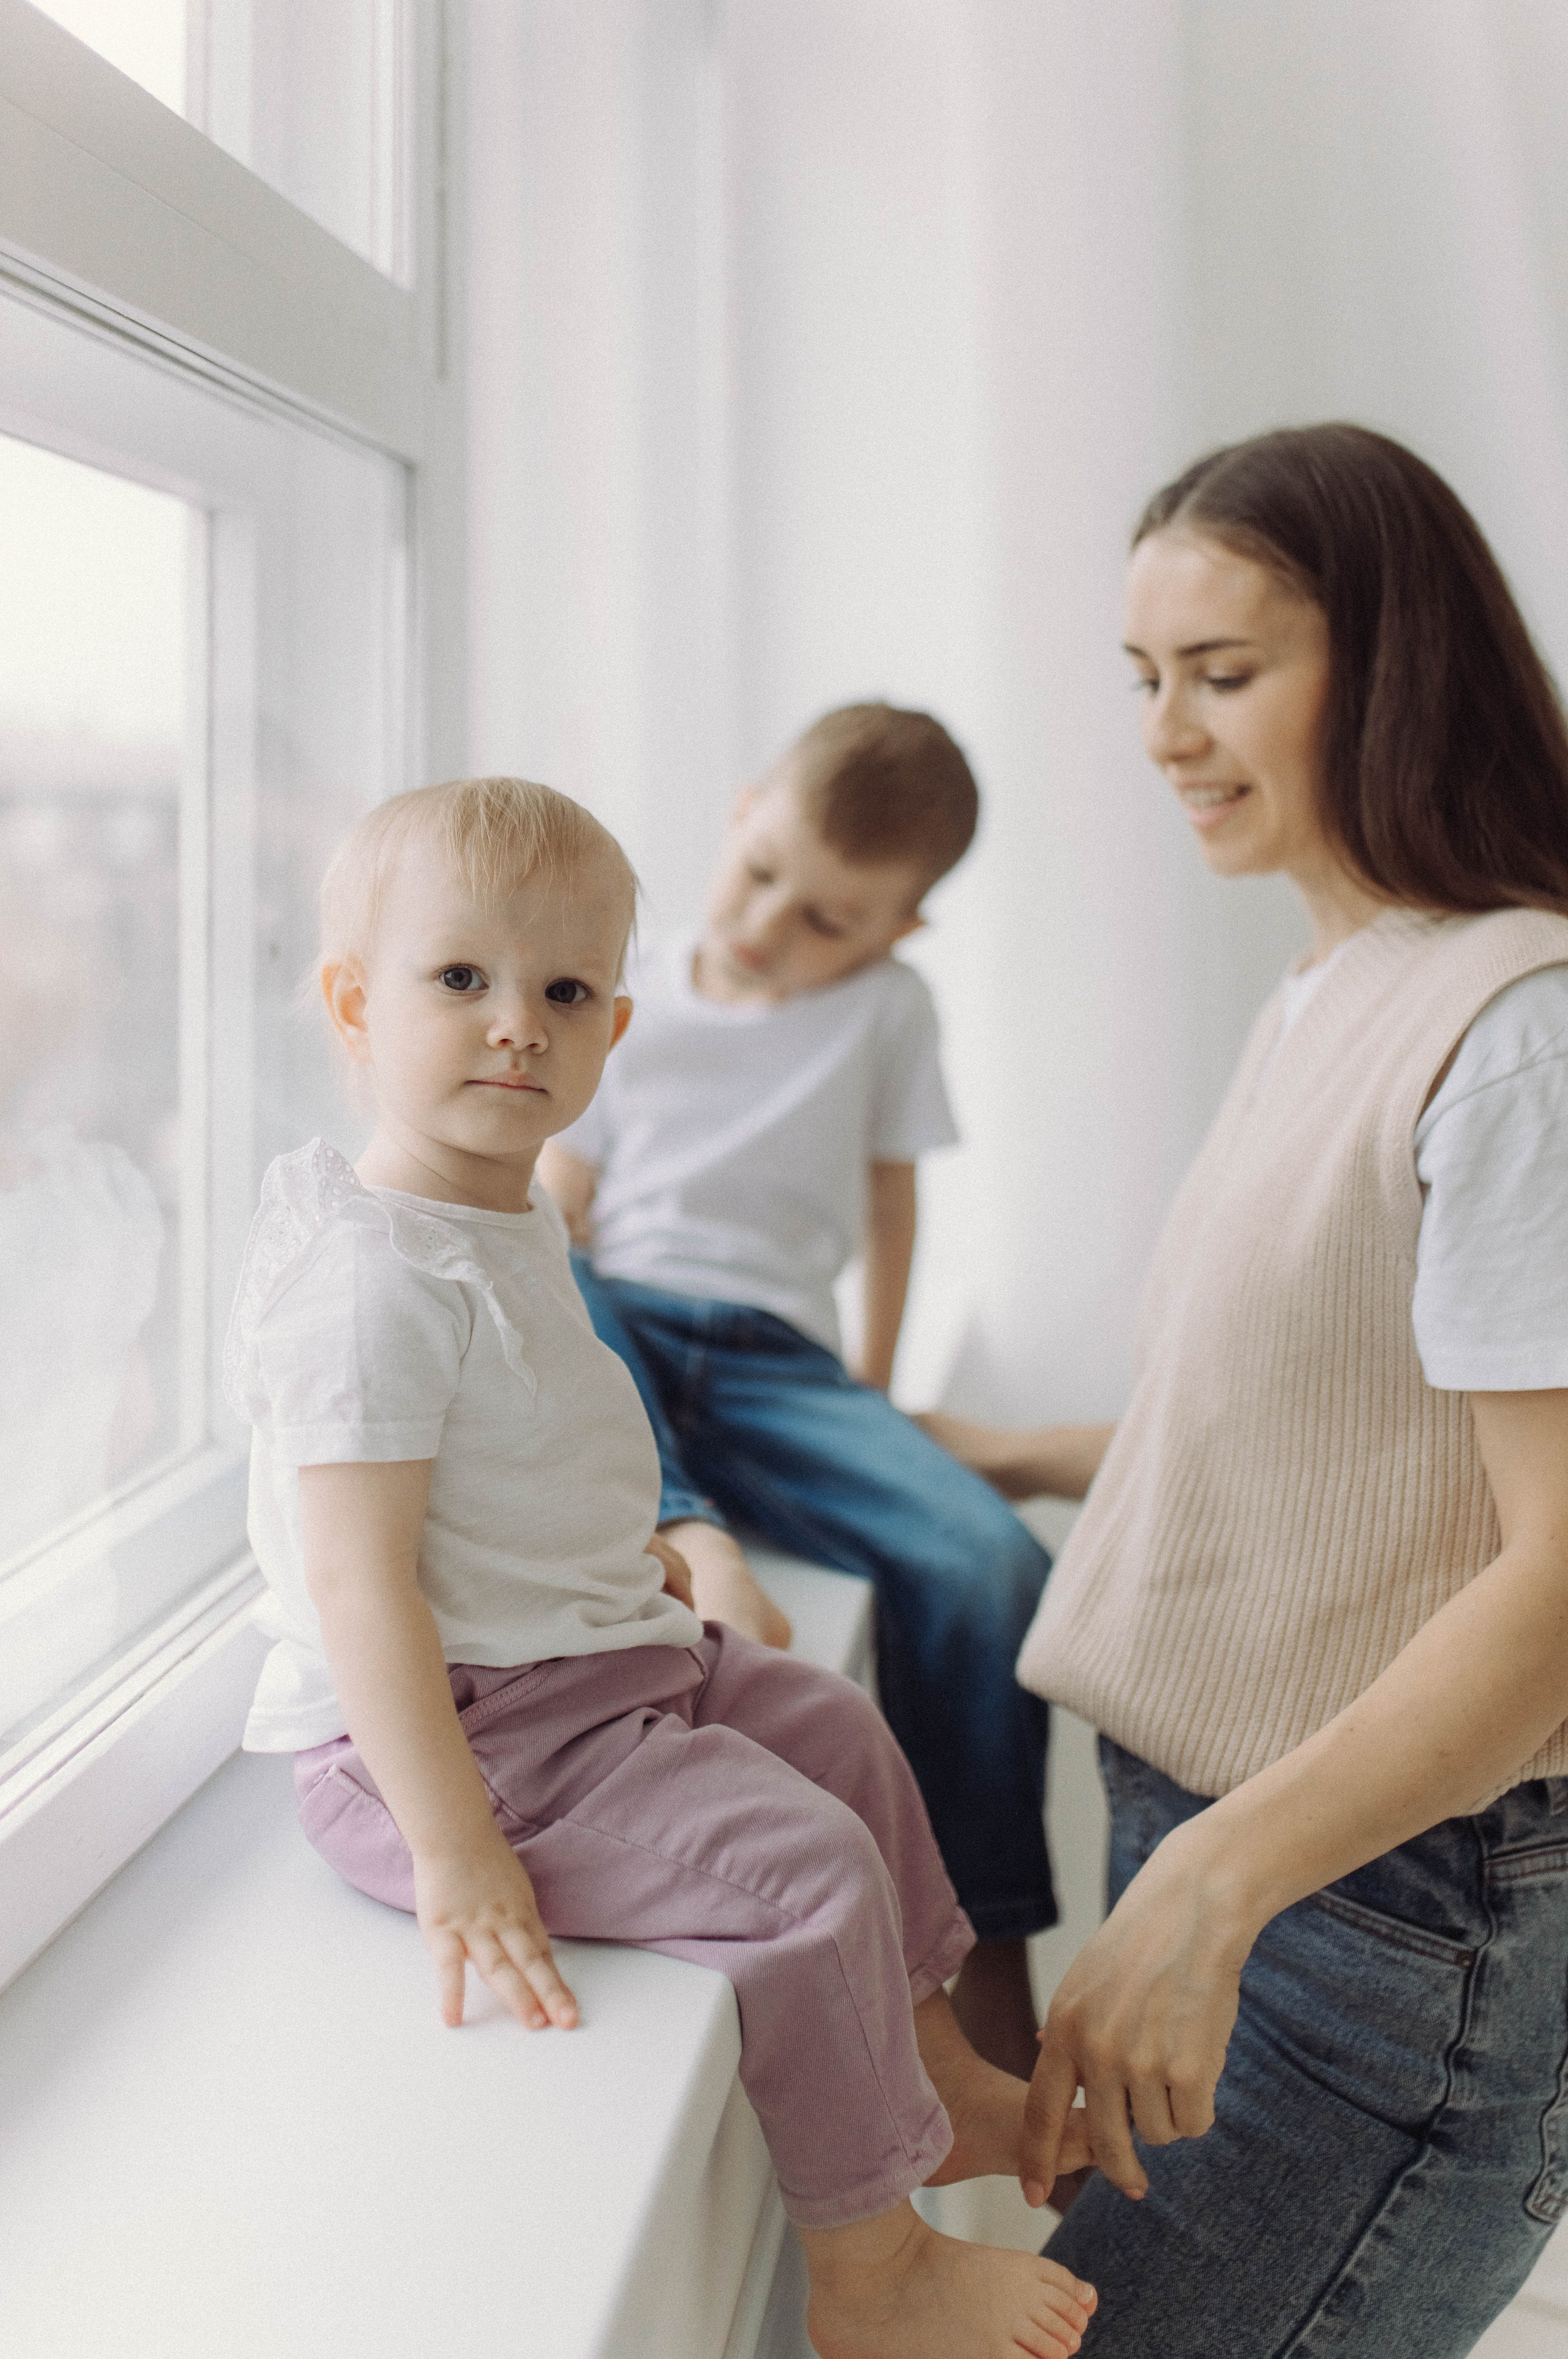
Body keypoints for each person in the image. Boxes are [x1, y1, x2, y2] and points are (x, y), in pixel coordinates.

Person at [223, 775, 1097, 2359]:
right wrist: (455, 1850)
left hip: (587, 1664)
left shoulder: (503, 1221)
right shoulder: (371, 1282)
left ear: (614, 1034)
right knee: (804, 1873)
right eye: (459, 981)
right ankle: (870, 2276)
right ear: (355, 1005)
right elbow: (360, 1593)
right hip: (464, 1744)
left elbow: (513, 1471)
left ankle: (938, 2078)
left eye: (563, 993)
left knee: (836, 1729)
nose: (516, 1028)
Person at [927, 424, 1568, 2357]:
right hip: (1238, 1854)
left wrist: (1214, 1887)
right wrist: (986, 1454)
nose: (1164, 732)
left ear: (1394, 663)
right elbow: (1331, 1452)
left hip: (1373, 1914)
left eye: (1223, 673)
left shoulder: (1517, 1034)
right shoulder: (1332, 990)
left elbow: (1554, 1583)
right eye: (1144, 681)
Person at [537, 703, 1056, 2079]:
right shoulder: (612, 982)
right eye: (764, 872)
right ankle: (694, 1529)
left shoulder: (888, 1012)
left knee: (989, 1567)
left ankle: (990, 1943)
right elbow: (561, 1203)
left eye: (831, 919)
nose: (773, 926)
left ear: (897, 933)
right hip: (623, 1327)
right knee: (532, 1235)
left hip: (773, 1358)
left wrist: (873, 1391)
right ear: (742, 809)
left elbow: (893, 1209)